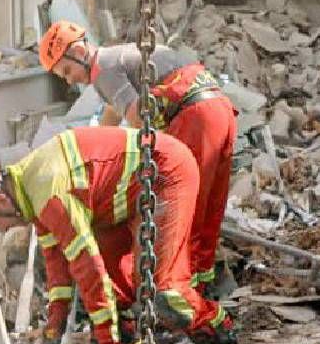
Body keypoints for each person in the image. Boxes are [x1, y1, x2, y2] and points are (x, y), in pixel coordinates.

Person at [0, 125, 243, 344]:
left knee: (165, 293)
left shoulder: (48, 192)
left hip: (164, 172)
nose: (3, 230)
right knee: (114, 288)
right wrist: (56, 318)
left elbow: (88, 268)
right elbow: (56, 260)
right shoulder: (30, 191)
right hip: (119, 196)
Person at [37, 22, 237, 293]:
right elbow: (111, 117)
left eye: (67, 71)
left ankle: (184, 294)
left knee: (183, 210)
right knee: (209, 205)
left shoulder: (103, 70)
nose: (70, 80)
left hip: (194, 119)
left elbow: (137, 117)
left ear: (80, 51)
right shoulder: (119, 59)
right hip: (218, 107)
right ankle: (206, 284)